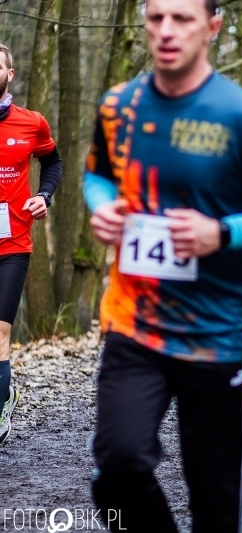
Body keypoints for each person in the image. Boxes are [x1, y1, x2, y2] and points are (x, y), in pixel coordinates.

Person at [83, 1, 242, 531]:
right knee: (117, 466)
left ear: (212, 27)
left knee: (215, 502)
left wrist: (224, 231)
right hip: (133, 323)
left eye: (182, 19)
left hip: (217, 335)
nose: (166, 31)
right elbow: (96, 174)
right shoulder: (118, 106)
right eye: (156, 17)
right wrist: (103, 208)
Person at [0, 43, 63, 445]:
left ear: (10, 73)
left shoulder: (31, 123)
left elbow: (53, 162)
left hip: (13, 242)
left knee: (0, 330)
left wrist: (45, 195)